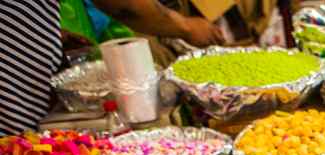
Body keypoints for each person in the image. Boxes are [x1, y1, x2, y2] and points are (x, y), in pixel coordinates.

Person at [0, 0, 222, 134]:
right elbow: (125, 5)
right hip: (13, 88)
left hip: (24, 73)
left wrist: (49, 32)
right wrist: (186, 26)